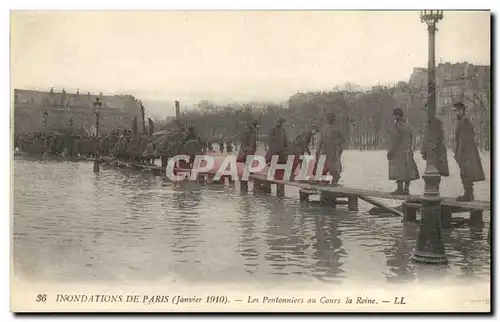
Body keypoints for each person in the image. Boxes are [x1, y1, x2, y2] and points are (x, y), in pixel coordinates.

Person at [451, 102, 485, 201]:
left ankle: (468, 195)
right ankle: (468, 194)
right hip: (465, 152)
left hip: (466, 153)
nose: (455, 113)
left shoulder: (464, 121)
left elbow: (464, 138)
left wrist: (459, 152)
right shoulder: (462, 121)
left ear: (461, 110)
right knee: (465, 173)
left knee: (466, 173)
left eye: (457, 111)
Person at [387, 107, 420, 195]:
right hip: (408, 151)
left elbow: (395, 140)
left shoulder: (397, 126)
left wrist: (390, 151)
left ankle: (399, 189)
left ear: (397, 116)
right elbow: (411, 139)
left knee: (399, 170)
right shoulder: (408, 126)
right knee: (408, 170)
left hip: (398, 152)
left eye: (394, 115)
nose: (393, 117)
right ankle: (406, 189)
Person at [314, 112, 345, 185]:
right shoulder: (325, 129)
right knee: (326, 170)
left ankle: (331, 183)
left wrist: (334, 143)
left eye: (329, 118)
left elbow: (342, 139)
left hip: (332, 152)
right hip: (327, 152)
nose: (328, 120)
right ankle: (326, 183)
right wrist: (318, 151)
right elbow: (320, 141)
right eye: (328, 118)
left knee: (332, 170)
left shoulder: (335, 129)